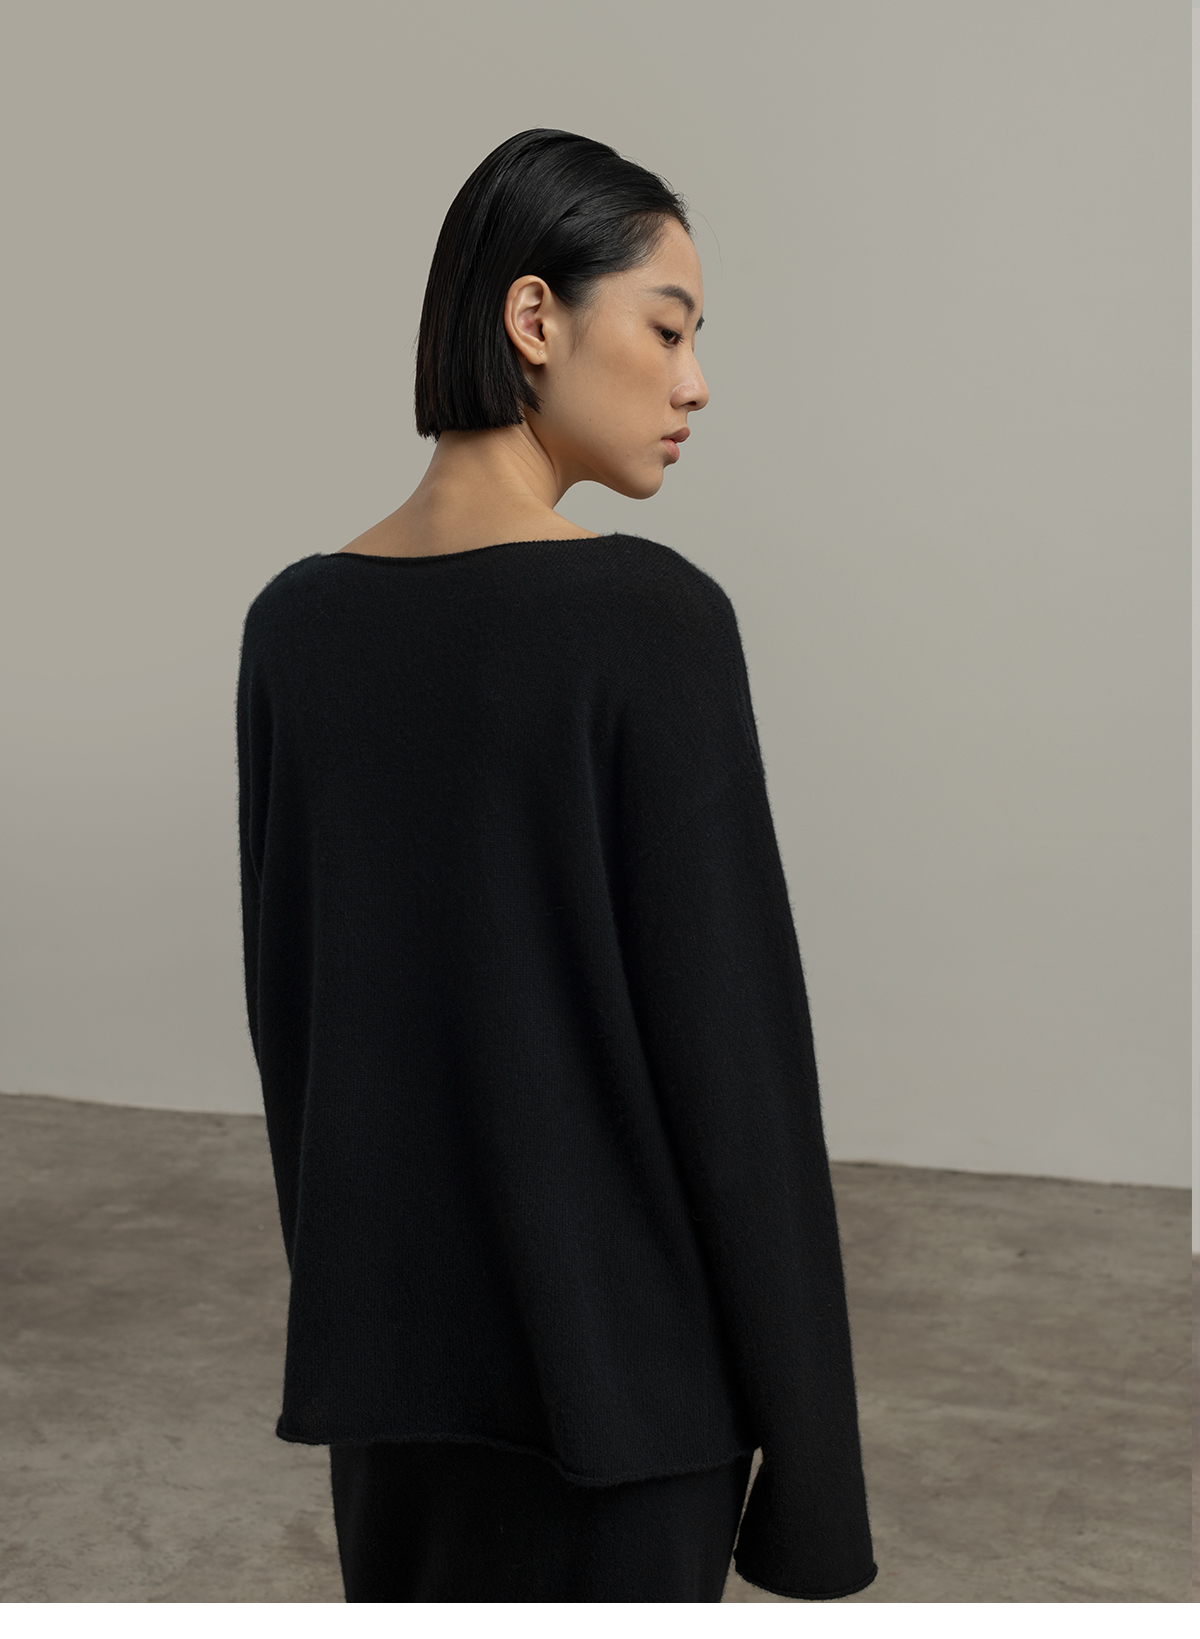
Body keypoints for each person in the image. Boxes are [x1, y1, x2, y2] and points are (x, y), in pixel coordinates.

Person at [236, 127, 877, 1603]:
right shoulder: (647, 621)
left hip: (390, 1405)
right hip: (629, 1407)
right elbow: (738, 1072)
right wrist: (817, 1494)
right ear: (536, 317)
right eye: (668, 327)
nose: (696, 382)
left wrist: (362, 1330)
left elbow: (299, 1041)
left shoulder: (295, 627)